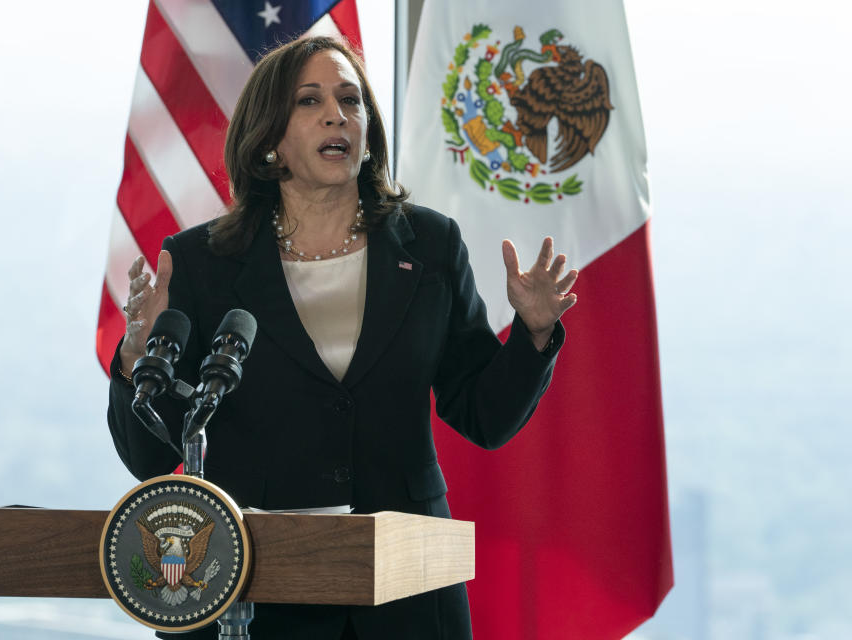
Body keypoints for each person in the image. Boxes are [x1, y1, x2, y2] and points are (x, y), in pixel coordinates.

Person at [107, 36, 577, 640]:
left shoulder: (430, 247)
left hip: (407, 595)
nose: (337, 115)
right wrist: (137, 356)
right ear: (269, 140)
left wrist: (534, 334)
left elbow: (482, 415)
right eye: (310, 102)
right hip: (250, 593)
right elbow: (148, 457)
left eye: (350, 100)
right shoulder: (202, 262)